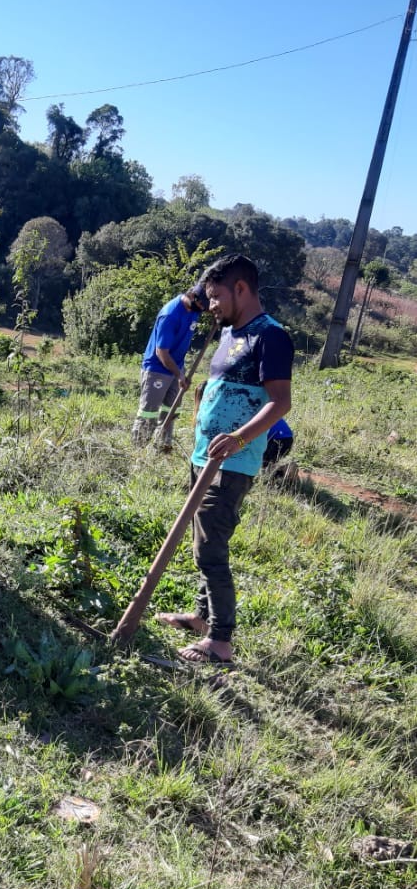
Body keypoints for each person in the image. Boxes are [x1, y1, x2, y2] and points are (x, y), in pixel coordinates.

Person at [155, 254, 293, 668]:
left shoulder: (271, 336)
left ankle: (220, 642)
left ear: (241, 289)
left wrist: (237, 438)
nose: (210, 305)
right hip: (205, 457)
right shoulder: (231, 334)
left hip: (232, 463)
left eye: (215, 297)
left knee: (210, 548)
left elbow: (280, 402)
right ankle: (201, 617)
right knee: (203, 539)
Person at [132, 282, 207, 450]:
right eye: (203, 305)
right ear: (193, 298)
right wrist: (180, 375)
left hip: (177, 368)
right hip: (157, 369)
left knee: (171, 410)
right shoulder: (171, 315)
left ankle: (162, 446)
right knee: (148, 412)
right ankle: (138, 450)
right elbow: (162, 352)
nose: (204, 309)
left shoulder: (194, 310)